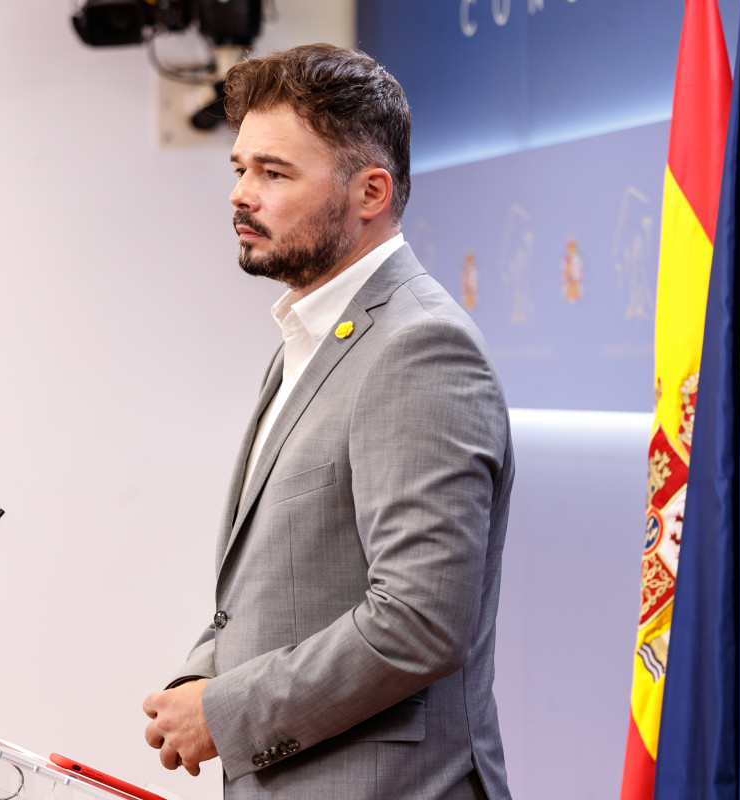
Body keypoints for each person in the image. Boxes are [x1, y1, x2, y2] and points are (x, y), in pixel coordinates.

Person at [142, 43, 514, 800]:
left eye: (274, 173)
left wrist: (225, 711)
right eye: (240, 169)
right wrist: (204, 676)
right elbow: (293, 581)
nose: (241, 195)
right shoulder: (312, 335)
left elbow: (419, 620)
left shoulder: (419, 348)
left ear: (370, 191)